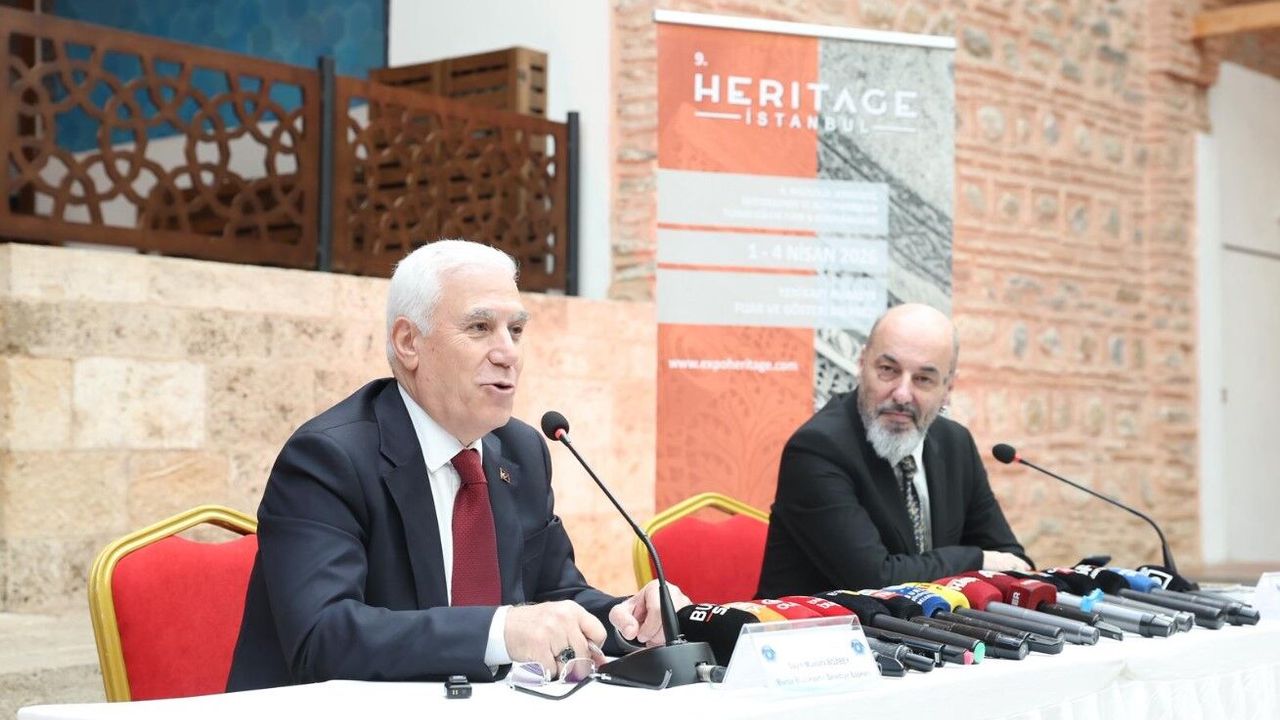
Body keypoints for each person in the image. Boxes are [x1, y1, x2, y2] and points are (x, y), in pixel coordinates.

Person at [228, 239, 683, 690]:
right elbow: (322, 637)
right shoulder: (328, 459)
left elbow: (554, 594)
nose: (508, 353)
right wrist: (500, 632)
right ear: (409, 342)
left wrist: (627, 619)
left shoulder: (521, 450)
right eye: (480, 327)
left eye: (516, 330)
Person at [756, 303, 1031, 598]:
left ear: (948, 388)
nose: (902, 394)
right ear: (862, 364)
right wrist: (977, 559)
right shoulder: (817, 449)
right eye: (888, 370)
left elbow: (1011, 559)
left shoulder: (955, 443)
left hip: (927, 624)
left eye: (923, 379)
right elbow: (875, 579)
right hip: (821, 624)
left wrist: (995, 564)